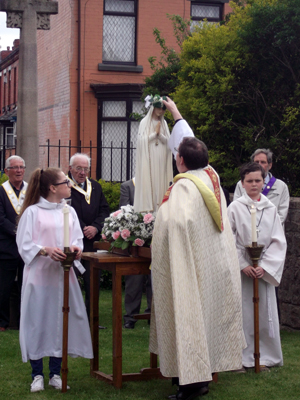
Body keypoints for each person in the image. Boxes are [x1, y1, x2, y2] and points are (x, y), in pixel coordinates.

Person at [149, 98, 245, 400]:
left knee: (186, 318)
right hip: (212, 263)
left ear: (179, 161)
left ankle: (188, 386)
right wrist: (177, 114)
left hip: (188, 265)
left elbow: (174, 222)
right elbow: (192, 147)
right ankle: (200, 380)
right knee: (203, 320)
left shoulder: (184, 187)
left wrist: (158, 223)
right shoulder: (211, 177)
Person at [16, 168, 93, 393]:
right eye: (65, 182)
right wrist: (45, 250)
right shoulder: (32, 212)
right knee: (38, 322)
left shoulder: (68, 211)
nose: (69, 185)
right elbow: (24, 244)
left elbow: (77, 237)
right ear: (52, 188)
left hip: (62, 276)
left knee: (61, 321)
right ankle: (37, 374)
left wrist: (77, 249)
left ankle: (56, 373)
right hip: (40, 276)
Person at [228, 162, 287, 370]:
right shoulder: (235, 208)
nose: (254, 184)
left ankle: (266, 354)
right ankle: (242, 356)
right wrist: (243, 264)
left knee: (264, 312)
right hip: (243, 272)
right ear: (242, 183)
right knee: (243, 313)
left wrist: (265, 267)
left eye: (258, 180)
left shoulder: (270, 209)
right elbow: (228, 239)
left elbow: (278, 241)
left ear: (264, 182)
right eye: (250, 181)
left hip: (262, 271)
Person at [68, 153, 110, 326]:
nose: (82, 172)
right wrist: (84, 227)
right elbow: (66, 212)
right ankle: (70, 318)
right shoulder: (64, 186)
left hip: (92, 243)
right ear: (70, 168)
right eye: (79, 168)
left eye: (85, 169)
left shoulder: (95, 187)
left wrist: (96, 227)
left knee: (92, 282)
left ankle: (91, 318)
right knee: (71, 282)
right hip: (73, 242)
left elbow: (104, 210)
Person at [119, 178, 152, 329]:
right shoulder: (127, 186)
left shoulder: (159, 184)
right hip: (135, 239)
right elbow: (124, 211)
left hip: (154, 239)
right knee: (134, 280)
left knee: (154, 279)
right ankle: (130, 316)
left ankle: (152, 314)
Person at [0, 155, 27, 332]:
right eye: (15, 167)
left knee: (26, 284)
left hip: (27, 247)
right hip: (7, 246)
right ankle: (2, 322)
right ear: (7, 171)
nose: (18, 170)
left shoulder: (31, 190)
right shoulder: (1, 191)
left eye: (21, 167)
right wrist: (17, 231)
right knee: (4, 286)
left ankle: (23, 321)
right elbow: (0, 218)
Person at [134, 94, 173, 213]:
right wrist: (153, 135)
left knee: (161, 181)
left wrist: (160, 135)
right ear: (153, 108)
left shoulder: (164, 123)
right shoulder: (144, 122)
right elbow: (141, 142)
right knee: (150, 180)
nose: (160, 111)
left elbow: (169, 142)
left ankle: (160, 209)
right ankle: (149, 211)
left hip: (161, 156)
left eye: (162, 109)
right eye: (158, 108)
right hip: (149, 157)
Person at [233, 149, 290, 224]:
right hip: (246, 231)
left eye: (263, 162)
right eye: (256, 162)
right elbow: (237, 210)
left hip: (272, 232)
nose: (259, 165)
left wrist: (262, 228)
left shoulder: (281, 186)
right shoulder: (241, 184)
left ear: (270, 165)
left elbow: (282, 215)